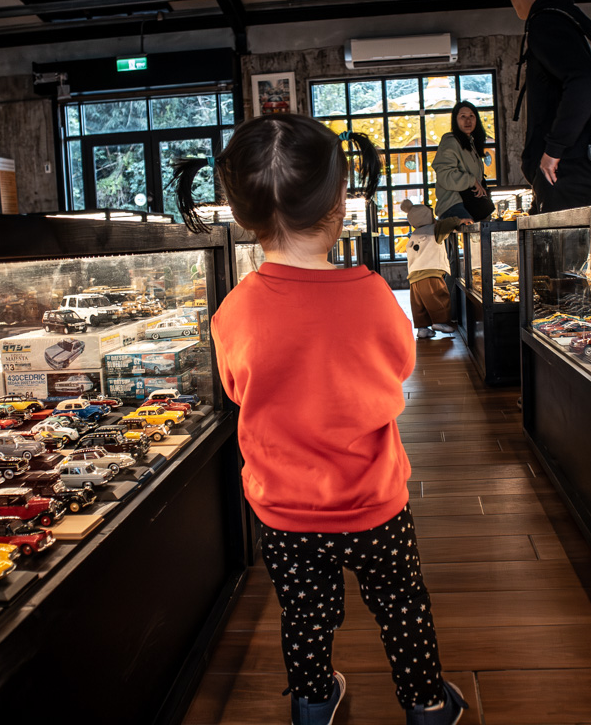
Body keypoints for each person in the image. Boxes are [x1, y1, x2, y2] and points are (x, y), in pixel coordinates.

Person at [172, 114, 468, 725]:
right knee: (402, 606)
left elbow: (235, 388)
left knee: (304, 613)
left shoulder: (234, 311)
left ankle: (311, 702)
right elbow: (398, 367)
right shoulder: (370, 294)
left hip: (283, 507)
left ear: (244, 214)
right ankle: (428, 705)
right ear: (339, 202)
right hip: (374, 499)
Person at [509, 0, 591, 214]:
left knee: (558, 257)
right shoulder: (563, 20)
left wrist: (553, 152)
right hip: (569, 172)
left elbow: (586, 81)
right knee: (560, 255)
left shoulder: (547, 22)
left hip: (565, 172)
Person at [401, 198, 462, 339]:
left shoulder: (413, 236)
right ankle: (440, 322)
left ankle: (423, 329)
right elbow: (448, 224)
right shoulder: (433, 230)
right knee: (439, 297)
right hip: (431, 273)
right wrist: (460, 220)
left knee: (419, 304)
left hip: (414, 276)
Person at [431, 101, 493, 223]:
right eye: (462, 116)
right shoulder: (450, 141)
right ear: (455, 120)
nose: (468, 121)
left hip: (469, 205)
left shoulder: (471, 144)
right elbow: (445, 175)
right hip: (453, 204)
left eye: (471, 116)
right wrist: (472, 181)